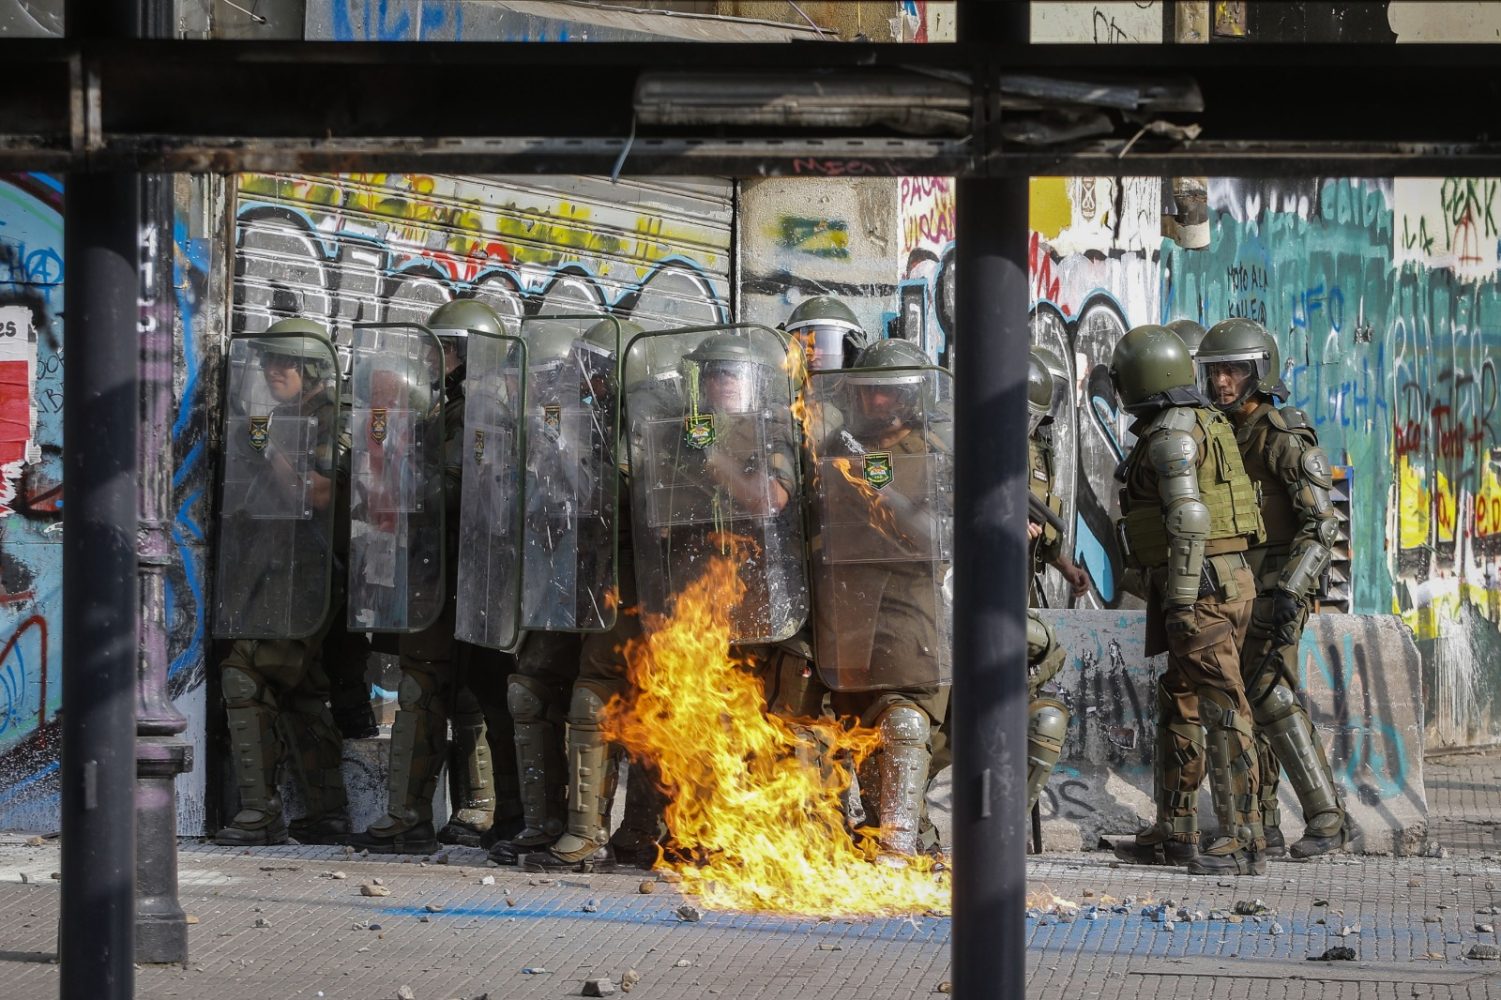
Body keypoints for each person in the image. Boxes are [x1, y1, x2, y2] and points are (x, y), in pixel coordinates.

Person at [1107, 323, 1267, 876]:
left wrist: (1179, 601)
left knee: (1221, 704)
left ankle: (1243, 839)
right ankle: (1175, 831)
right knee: (1182, 700)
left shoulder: (1172, 434)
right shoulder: (1195, 421)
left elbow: (1191, 517)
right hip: (1212, 581)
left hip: (1200, 589)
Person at [349, 303, 505, 853]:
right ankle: (412, 815)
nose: (432, 359)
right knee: (427, 687)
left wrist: (404, 484)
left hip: (467, 571)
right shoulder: (448, 407)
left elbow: (460, 487)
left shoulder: (482, 411)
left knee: (466, 692)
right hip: (437, 568)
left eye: (444, 349)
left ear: (467, 353)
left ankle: (476, 810)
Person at [1196, 317, 1354, 859]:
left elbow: (1322, 524)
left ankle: (1327, 817)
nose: (1222, 381)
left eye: (1234, 370)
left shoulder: (1280, 434)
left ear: (1259, 372)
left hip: (1279, 586)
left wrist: (1292, 590)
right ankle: (1263, 823)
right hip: (1238, 587)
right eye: (1215, 370)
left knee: (1268, 692)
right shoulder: (1222, 431)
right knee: (1245, 698)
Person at [807, 337, 952, 861]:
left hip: (909, 599)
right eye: (867, 391)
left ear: (910, 398)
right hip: (842, 604)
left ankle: (898, 844)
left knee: (905, 722)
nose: (874, 401)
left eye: (886, 393)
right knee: (839, 727)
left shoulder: (935, 455)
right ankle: (839, 838)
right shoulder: (833, 450)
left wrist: (881, 489)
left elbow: (940, 537)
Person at [212, 318, 351, 846]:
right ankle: (327, 812)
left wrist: (269, 449)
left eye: (286, 361)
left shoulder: (331, 418)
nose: (274, 370)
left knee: (244, 673)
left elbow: (316, 494)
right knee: (301, 690)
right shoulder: (283, 417)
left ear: (311, 368)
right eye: (268, 360)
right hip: (276, 570)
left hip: (310, 574)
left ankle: (260, 812)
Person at [1022, 349, 1090, 814]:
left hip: (1020, 583)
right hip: (973, 592)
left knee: (1042, 710)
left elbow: (1042, 522)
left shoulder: (1037, 449)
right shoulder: (969, 446)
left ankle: (1013, 817)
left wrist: (1064, 565)